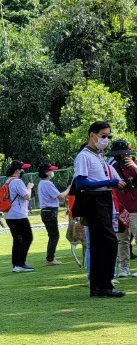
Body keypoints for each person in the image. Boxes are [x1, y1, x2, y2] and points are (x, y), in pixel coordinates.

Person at [72, 121, 126, 299]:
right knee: (109, 241)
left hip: (103, 198)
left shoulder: (99, 156)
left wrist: (117, 184)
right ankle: (103, 285)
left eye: (108, 136)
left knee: (99, 244)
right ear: (92, 134)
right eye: (103, 136)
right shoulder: (84, 156)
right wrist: (109, 182)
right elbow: (81, 183)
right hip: (93, 200)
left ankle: (99, 287)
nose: (106, 139)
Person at [109, 138, 137, 279]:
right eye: (118, 155)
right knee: (122, 240)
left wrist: (134, 166)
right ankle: (124, 268)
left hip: (135, 208)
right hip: (119, 208)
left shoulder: (134, 165)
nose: (122, 157)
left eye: (124, 154)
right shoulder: (112, 167)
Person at [3, 161, 34, 271]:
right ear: (17, 170)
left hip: (9, 215)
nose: (23, 171)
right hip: (19, 214)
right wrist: (29, 187)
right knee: (28, 237)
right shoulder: (17, 181)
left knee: (17, 239)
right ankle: (21, 263)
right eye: (22, 169)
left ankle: (16, 265)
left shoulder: (8, 181)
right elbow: (27, 196)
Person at [36, 163, 68, 265]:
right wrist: (69, 188)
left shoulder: (41, 183)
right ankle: (50, 259)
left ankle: (50, 258)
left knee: (52, 235)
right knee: (54, 236)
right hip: (50, 211)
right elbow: (60, 196)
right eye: (50, 170)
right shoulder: (47, 184)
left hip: (46, 211)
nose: (52, 172)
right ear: (46, 172)